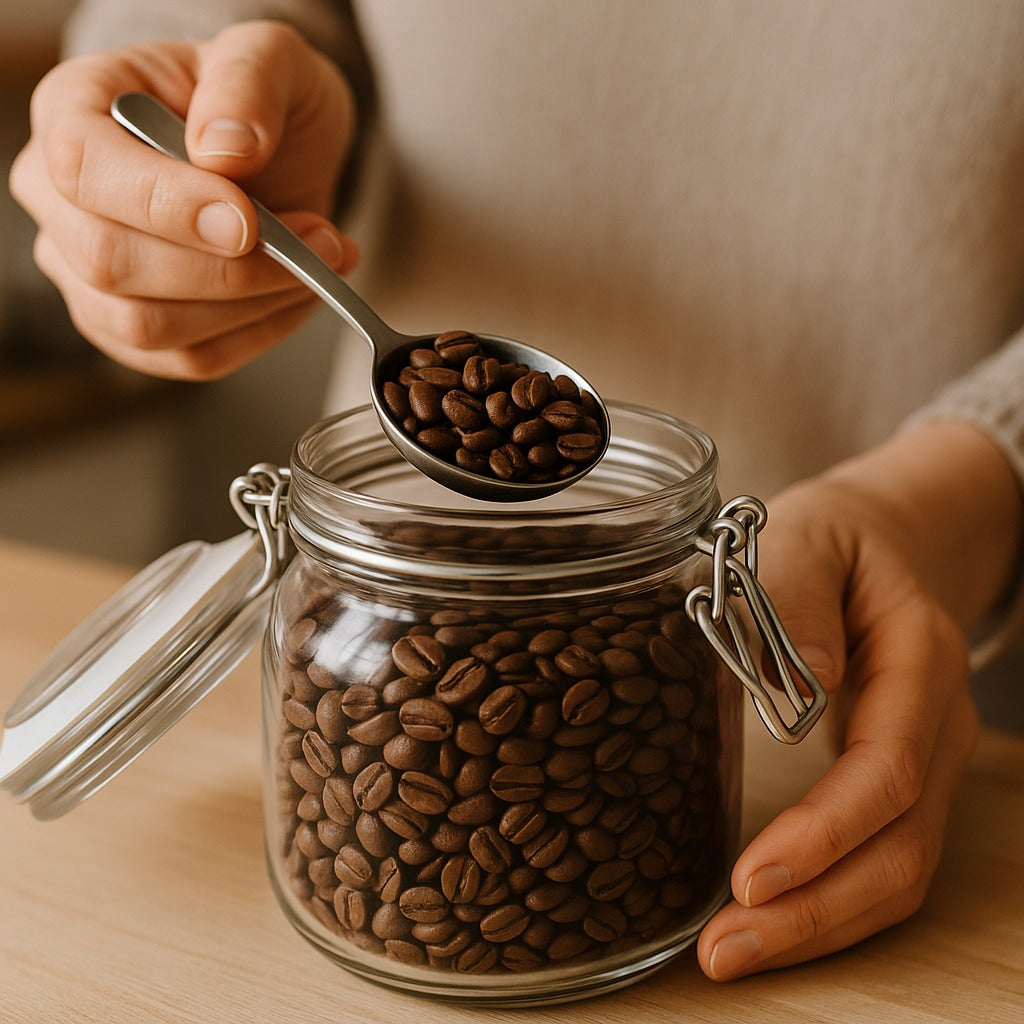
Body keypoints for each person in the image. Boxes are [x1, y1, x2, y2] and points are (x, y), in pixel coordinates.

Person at [9, 1, 1024, 983]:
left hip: (934, 663)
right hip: (385, 530)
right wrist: (213, 115)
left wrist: (954, 488)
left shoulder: (681, 619)